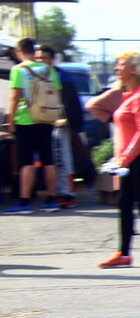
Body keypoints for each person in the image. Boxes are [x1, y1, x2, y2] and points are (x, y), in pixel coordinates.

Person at [97, 52, 140, 268]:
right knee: (124, 205)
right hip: (126, 162)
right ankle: (124, 253)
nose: (117, 68)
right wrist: (119, 159)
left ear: (135, 69)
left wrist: (126, 157)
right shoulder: (128, 96)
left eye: (121, 65)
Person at [3, 38, 62, 214]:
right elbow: (57, 94)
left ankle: (24, 202)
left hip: (26, 119)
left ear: (18, 51)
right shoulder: (48, 69)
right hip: (46, 118)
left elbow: (15, 97)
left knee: (26, 161)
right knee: (48, 159)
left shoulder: (19, 70)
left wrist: (10, 120)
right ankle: (51, 200)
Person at [37, 44, 85, 209]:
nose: (41, 61)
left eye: (44, 58)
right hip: (45, 123)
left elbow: (70, 102)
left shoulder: (61, 75)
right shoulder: (37, 75)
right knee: (53, 160)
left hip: (61, 124)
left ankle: (67, 194)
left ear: (51, 59)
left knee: (62, 159)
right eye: (38, 58)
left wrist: (66, 119)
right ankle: (59, 192)